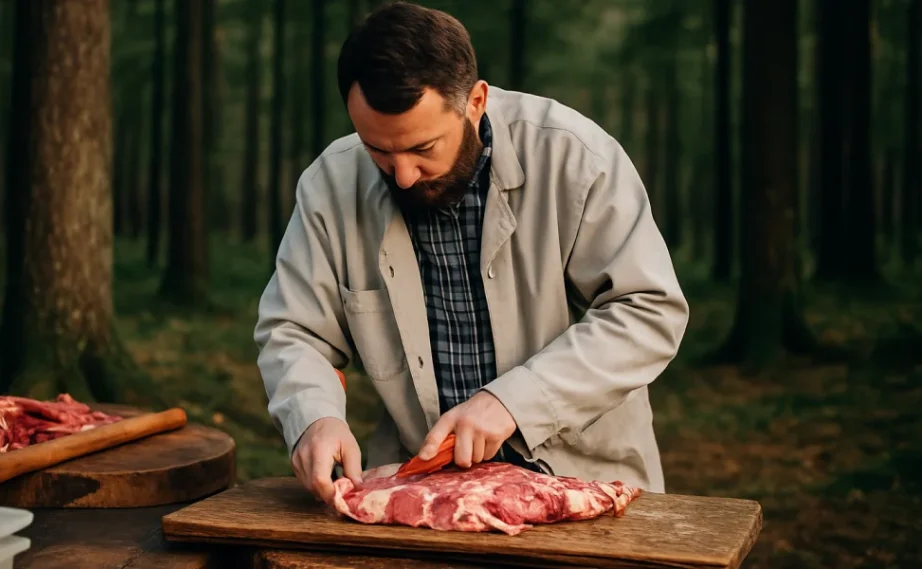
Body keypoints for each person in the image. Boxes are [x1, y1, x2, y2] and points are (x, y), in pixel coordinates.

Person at [253, 1, 689, 504]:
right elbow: (295, 330)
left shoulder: (574, 158)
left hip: (579, 478)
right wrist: (314, 417)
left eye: (422, 148)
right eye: (378, 150)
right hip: (419, 486)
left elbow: (648, 310)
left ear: (475, 101)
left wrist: (514, 402)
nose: (402, 175)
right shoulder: (331, 183)